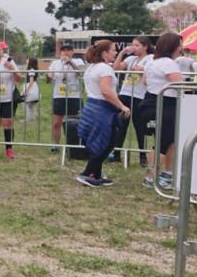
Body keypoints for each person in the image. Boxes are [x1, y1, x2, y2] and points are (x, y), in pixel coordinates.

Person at [76, 40, 130, 187]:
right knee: (107, 141)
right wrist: (122, 106)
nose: (116, 52)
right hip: (102, 108)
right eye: (113, 50)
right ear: (105, 53)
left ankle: (96, 174)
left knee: (99, 141)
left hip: (92, 106)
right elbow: (106, 91)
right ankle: (89, 173)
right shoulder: (105, 69)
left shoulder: (92, 67)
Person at [139, 32, 185, 189]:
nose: (181, 48)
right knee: (162, 144)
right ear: (172, 46)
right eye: (179, 44)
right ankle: (151, 177)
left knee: (169, 140)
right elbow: (179, 84)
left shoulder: (152, 61)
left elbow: (144, 81)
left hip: (152, 101)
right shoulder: (168, 63)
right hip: (166, 104)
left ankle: (167, 173)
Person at [113, 36, 152, 166]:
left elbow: (152, 73)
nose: (134, 48)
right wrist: (122, 53)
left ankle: (142, 156)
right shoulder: (130, 59)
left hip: (139, 96)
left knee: (139, 127)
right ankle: (116, 154)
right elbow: (116, 68)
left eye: (137, 45)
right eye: (133, 45)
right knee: (121, 125)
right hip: (125, 94)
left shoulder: (150, 59)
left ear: (145, 46)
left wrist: (144, 70)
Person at [47, 44, 85, 152]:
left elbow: (80, 73)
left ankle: (74, 145)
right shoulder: (55, 63)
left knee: (75, 122)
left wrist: (70, 62)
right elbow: (48, 77)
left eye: (68, 50)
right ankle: (55, 145)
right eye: (63, 50)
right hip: (59, 95)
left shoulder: (78, 61)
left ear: (72, 52)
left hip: (74, 95)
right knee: (56, 123)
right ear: (60, 52)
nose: (66, 53)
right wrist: (49, 75)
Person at [22, 58, 40, 127]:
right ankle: (32, 118)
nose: (26, 60)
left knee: (26, 104)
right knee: (32, 105)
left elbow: (31, 80)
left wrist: (26, 91)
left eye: (28, 59)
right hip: (34, 87)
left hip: (30, 87)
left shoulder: (31, 70)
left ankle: (28, 119)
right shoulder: (34, 69)